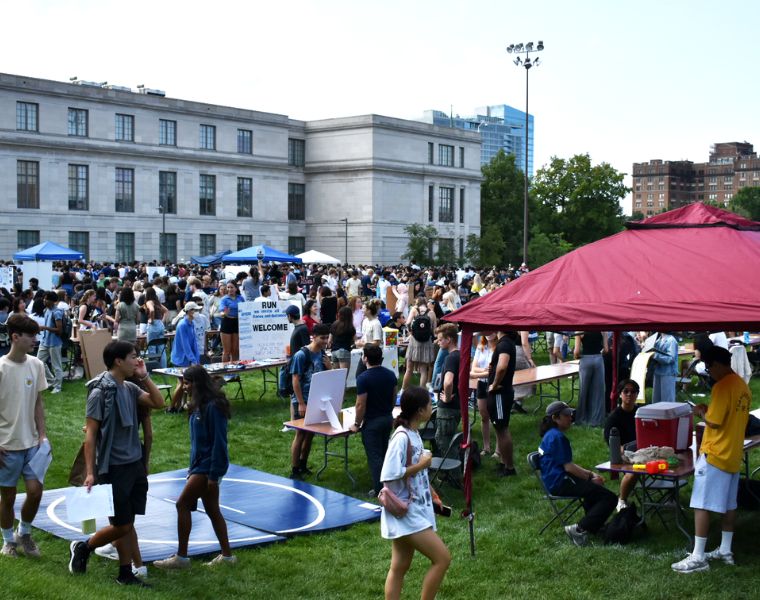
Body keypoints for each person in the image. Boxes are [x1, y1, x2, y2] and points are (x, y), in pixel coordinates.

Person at [68, 340, 165, 586]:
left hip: (134, 464)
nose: (137, 361)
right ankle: (84, 547)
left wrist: (145, 376)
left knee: (127, 522)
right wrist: (90, 472)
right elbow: (90, 435)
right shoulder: (100, 391)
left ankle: (125, 573)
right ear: (118, 361)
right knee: (122, 525)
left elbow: (159, 403)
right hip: (113, 467)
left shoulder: (130, 388)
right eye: (133, 357)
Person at [671, 346, 751, 574]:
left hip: (716, 452)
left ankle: (698, 556)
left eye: (708, 367)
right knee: (729, 505)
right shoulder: (742, 386)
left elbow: (714, 422)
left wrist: (700, 411)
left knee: (701, 504)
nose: (708, 372)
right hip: (733, 452)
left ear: (717, 364)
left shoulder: (722, 386)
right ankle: (725, 550)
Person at [155, 365, 235, 569]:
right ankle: (227, 557)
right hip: (199, 466)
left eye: (187, 383)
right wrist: (192, 469)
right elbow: (196, 443)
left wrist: (213, 476)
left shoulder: (213, 406)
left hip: (208, 467)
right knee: (212, 510)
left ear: (197, 383)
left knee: (182, 504)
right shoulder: (196, 406)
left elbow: (219, 442)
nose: (183, 387)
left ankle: (181, 558)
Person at [380, 386, 450, 600]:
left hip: (414, 507)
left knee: (400, 565)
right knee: (442, 559)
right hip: (407, 511)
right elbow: (390, 474)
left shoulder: (414, 433)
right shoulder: (401, 438)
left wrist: (432, 492)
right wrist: (423, 464)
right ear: (420, 411)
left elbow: (414, 475)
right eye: (430, 404)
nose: (433, 407)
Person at [0, 314, 48, 559]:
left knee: (35, 491)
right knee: (7, 497)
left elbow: (38, 403)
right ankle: (8, 541)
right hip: (5, 446)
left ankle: (24, 532)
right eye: (31, 336)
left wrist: (43, 436)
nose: (35, 340)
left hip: (31, 443)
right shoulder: (0, 368)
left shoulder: (36, 364)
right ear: (15, 337)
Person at [539, 401, 617, 546]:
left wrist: (590, 476)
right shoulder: (557, 437)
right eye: (567, 414)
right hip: (560, 483)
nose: (571, 417)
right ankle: (579, 529)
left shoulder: (551, 435)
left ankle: (594, 526)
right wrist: (590, 476)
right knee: (610, 498)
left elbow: (568, 466)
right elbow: (568, 467)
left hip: (555, 480)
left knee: (594, 490)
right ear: (555, 418)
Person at [350, 345, 398, 496]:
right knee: (384, 454)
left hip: (372, 422)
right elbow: (393, 397)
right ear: (381, 358)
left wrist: (357, 424)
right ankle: (390, 485)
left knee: (375, 457)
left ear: (365, 359)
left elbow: (360, 404)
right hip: (387, 418)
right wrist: (388, 412)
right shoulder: (390, 375)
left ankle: (380, 490)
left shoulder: (363, 378)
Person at [290, 324, 331, 479]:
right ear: (313, 336)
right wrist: (301, 403)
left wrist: (329, 366)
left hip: (316, 400)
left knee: (310, 435)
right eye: (322, 338)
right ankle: (294, 470)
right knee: (300, 434)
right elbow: (295, 380)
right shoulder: (301, 355)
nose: (325, 341)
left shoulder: (322, 354)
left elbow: (328, 376)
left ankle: (303, 464)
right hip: (303, 400)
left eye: (327, 338)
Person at [603, 379, 640, 512]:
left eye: (633, 391)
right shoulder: (614, 417)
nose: (629, 394)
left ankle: (670, 497)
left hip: (642, 449)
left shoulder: (641, 412)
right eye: (626, 391)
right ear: (620, 394)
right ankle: (622, 500)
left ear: (637, 394)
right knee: (634, 472)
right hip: (624, 453)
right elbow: (611, 443)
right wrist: (624, 451)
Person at [487, 331, 518, 476]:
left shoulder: (505, 344)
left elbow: (502, 366)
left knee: (502, 429)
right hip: (500, 393)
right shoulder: (505, 343)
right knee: (499, 429)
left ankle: (509, 468)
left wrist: (494, 384)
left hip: (500, 393)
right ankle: (503, 463)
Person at [168, 303, 201, 412]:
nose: (197, 312)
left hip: (187, 358)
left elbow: (194, 343)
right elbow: (185, 345)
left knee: (185, 383)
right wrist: (193, 359)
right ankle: (171, 407)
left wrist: (196, 359)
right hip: (180, 359)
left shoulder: (191, 323)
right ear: (189, 311)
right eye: (195, 310)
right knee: (183, 383)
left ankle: (180, 405)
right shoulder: (182, 325)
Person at [434, 324, 460, 457]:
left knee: (444, 441)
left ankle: (454, 475)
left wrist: (448, 398)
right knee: (448, 439)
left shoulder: (450, 358)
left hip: (448, 407)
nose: (438, 342)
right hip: (457, 405)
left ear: (448, 339)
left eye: (440, 339)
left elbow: (448, 381)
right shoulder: (460, 355)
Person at [574, 331, 609, 427]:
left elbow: (576, 351)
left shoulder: (580, 330)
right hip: (598, 359)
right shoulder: (602, 330)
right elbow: (606, 350)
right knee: (598, 391)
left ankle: (581, 419)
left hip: (585, 359)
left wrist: (577, 356)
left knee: (584, 390)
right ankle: (597, 420)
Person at [401, 297, 436, 391]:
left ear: (417, 303)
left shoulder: (414, 310)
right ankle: (422, 391)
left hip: (414, 342)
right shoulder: (431, 313)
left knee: (409, 369)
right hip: (426, 342)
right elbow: (434, 329)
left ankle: (403, 389)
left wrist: (411, 332)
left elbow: (407, 323)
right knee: (423, 370)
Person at [470, 333, 496, 457]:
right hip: (481, 384)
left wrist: (475, 374)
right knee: (484, 416)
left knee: (495, 417)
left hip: (493, 384)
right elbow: (473, 367)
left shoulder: (499, 347)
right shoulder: (481, 347)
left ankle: (498, 450)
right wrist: (485, 371)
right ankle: (486, 447)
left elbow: (495, 371)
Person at [37, 291, 64, 394]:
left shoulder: (57, 312)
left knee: (56, 366)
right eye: (44, 298)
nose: (44, 300)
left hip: (54, 343)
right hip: (45, 341)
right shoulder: (46, 310)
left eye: (46, 299)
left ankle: (58, 387)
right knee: (39, 362)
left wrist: (44, 328)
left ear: (53, 301)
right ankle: (52, 380)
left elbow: (59, 330)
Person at [144, 287, 168, 368]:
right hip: (160, 324)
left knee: (152, 347)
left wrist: (151, 319)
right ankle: (163, 368)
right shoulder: (157, 302)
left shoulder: (149, 302)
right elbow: (166, 311)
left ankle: (153, 368)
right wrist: (162, 321)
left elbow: (151, 310)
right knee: (161, 348)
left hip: (153, 326)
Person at [652, 332, 678, 403]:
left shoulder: (671, 340)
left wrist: (655, 356)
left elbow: (670, 358)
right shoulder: (658, 340)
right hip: (658, 371)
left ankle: (669, 414)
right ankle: (657, 413)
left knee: (667, 399)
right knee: (656, 398)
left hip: (668, 373)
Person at [219, 282, 243, 362]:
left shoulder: (241, 298)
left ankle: (234, 371)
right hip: (227, 322)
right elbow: (221, 312)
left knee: (235, 350)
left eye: (231, 287)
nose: (230, 289)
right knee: (227, 351)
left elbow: (246, 308)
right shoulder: (224, 299)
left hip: (237, 322)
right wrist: (224, 314)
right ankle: (226, 372)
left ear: (236, 288)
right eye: (228, 287)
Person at [329, 306, 355, 371]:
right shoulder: (350, 327)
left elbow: (329, 340)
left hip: (334, 351)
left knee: (337, 377)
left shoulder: (334, 324)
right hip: (344, 351)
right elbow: (355, 340)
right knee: (343, 377)